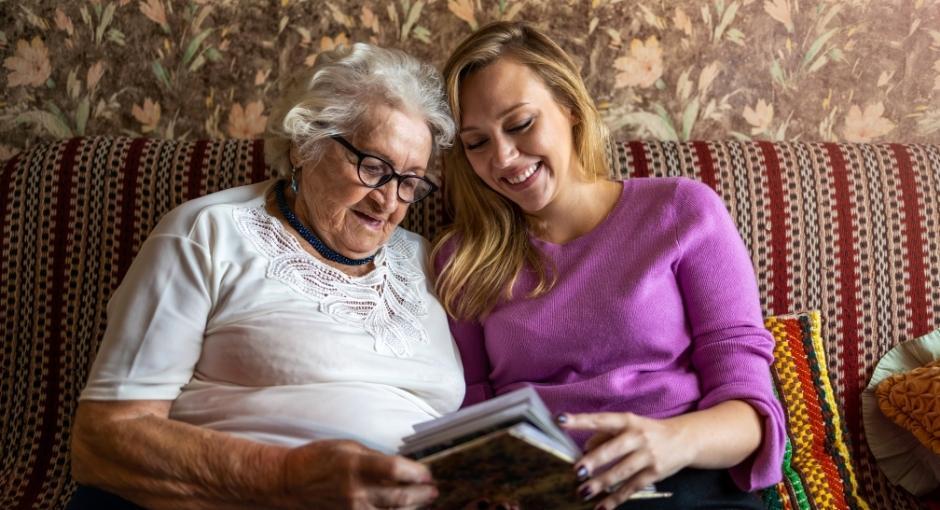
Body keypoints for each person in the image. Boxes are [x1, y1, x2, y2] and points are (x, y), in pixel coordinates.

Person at [68, 43, 464, 510]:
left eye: (409, 181)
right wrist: (287, 479)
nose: (389, 201)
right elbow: (102, 440)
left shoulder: (426, 260)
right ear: (305, 145)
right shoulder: (207, 234)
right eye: (373, 167)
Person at [432, 21, 786, 510]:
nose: (505, 158)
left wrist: (670, 441)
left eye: (519, 124)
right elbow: (471, 409)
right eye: (477, 142)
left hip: (684, 481)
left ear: (571, 109)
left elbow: (750, 415)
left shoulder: (682, 211)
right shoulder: (462, 260)